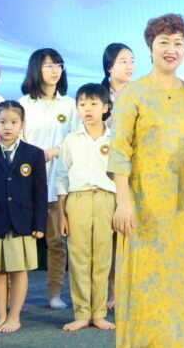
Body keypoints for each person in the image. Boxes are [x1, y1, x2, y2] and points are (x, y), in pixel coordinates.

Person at [108, 13, 184, 348]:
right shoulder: (133, 93)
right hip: (142, 207)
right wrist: (123, 201)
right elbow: (119, 151)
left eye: (178, 43)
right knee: (143, 283)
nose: (171, 50)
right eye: (164, 42)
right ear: (150, 46)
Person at [0, 100, 47, 333]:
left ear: (22, 124)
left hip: (22, 221)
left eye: (14, 122)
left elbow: (40, 192)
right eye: (3, 121)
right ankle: (1, 315)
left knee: (18, 270)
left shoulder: (34, 154)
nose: (8, 126)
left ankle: (14, 317)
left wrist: (40, 223)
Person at [19, 48, 76, 309]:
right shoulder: (23, 104)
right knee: (20, 242)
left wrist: (53, 152)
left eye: (58, 65)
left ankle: (55, 293)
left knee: (57, 242)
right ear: (36, 69)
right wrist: (34, 156)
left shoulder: (70, 104)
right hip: (27, 183)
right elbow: (16, 139)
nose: (55, 70)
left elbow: (75, 139)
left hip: (58, 184)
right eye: (48, 65)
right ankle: (11, 295)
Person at [57, 83, 116, 332]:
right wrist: (62, 214)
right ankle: (81, 313)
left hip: (106, 199)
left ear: (105, 107)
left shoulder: (115, 139)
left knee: (102, 258)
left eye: (93, 104)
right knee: (79, 257)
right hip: (77, 199)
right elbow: (61, 177)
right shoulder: (71, 140)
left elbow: (121, 176)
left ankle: (99, 313)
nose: (88, 109)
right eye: (82, 104)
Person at [101, 43, 135, 108]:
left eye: (132, 61)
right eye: (124, 62)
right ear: (109, 68)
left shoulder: (142, 93)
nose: (130, 67)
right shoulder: (97, 95)